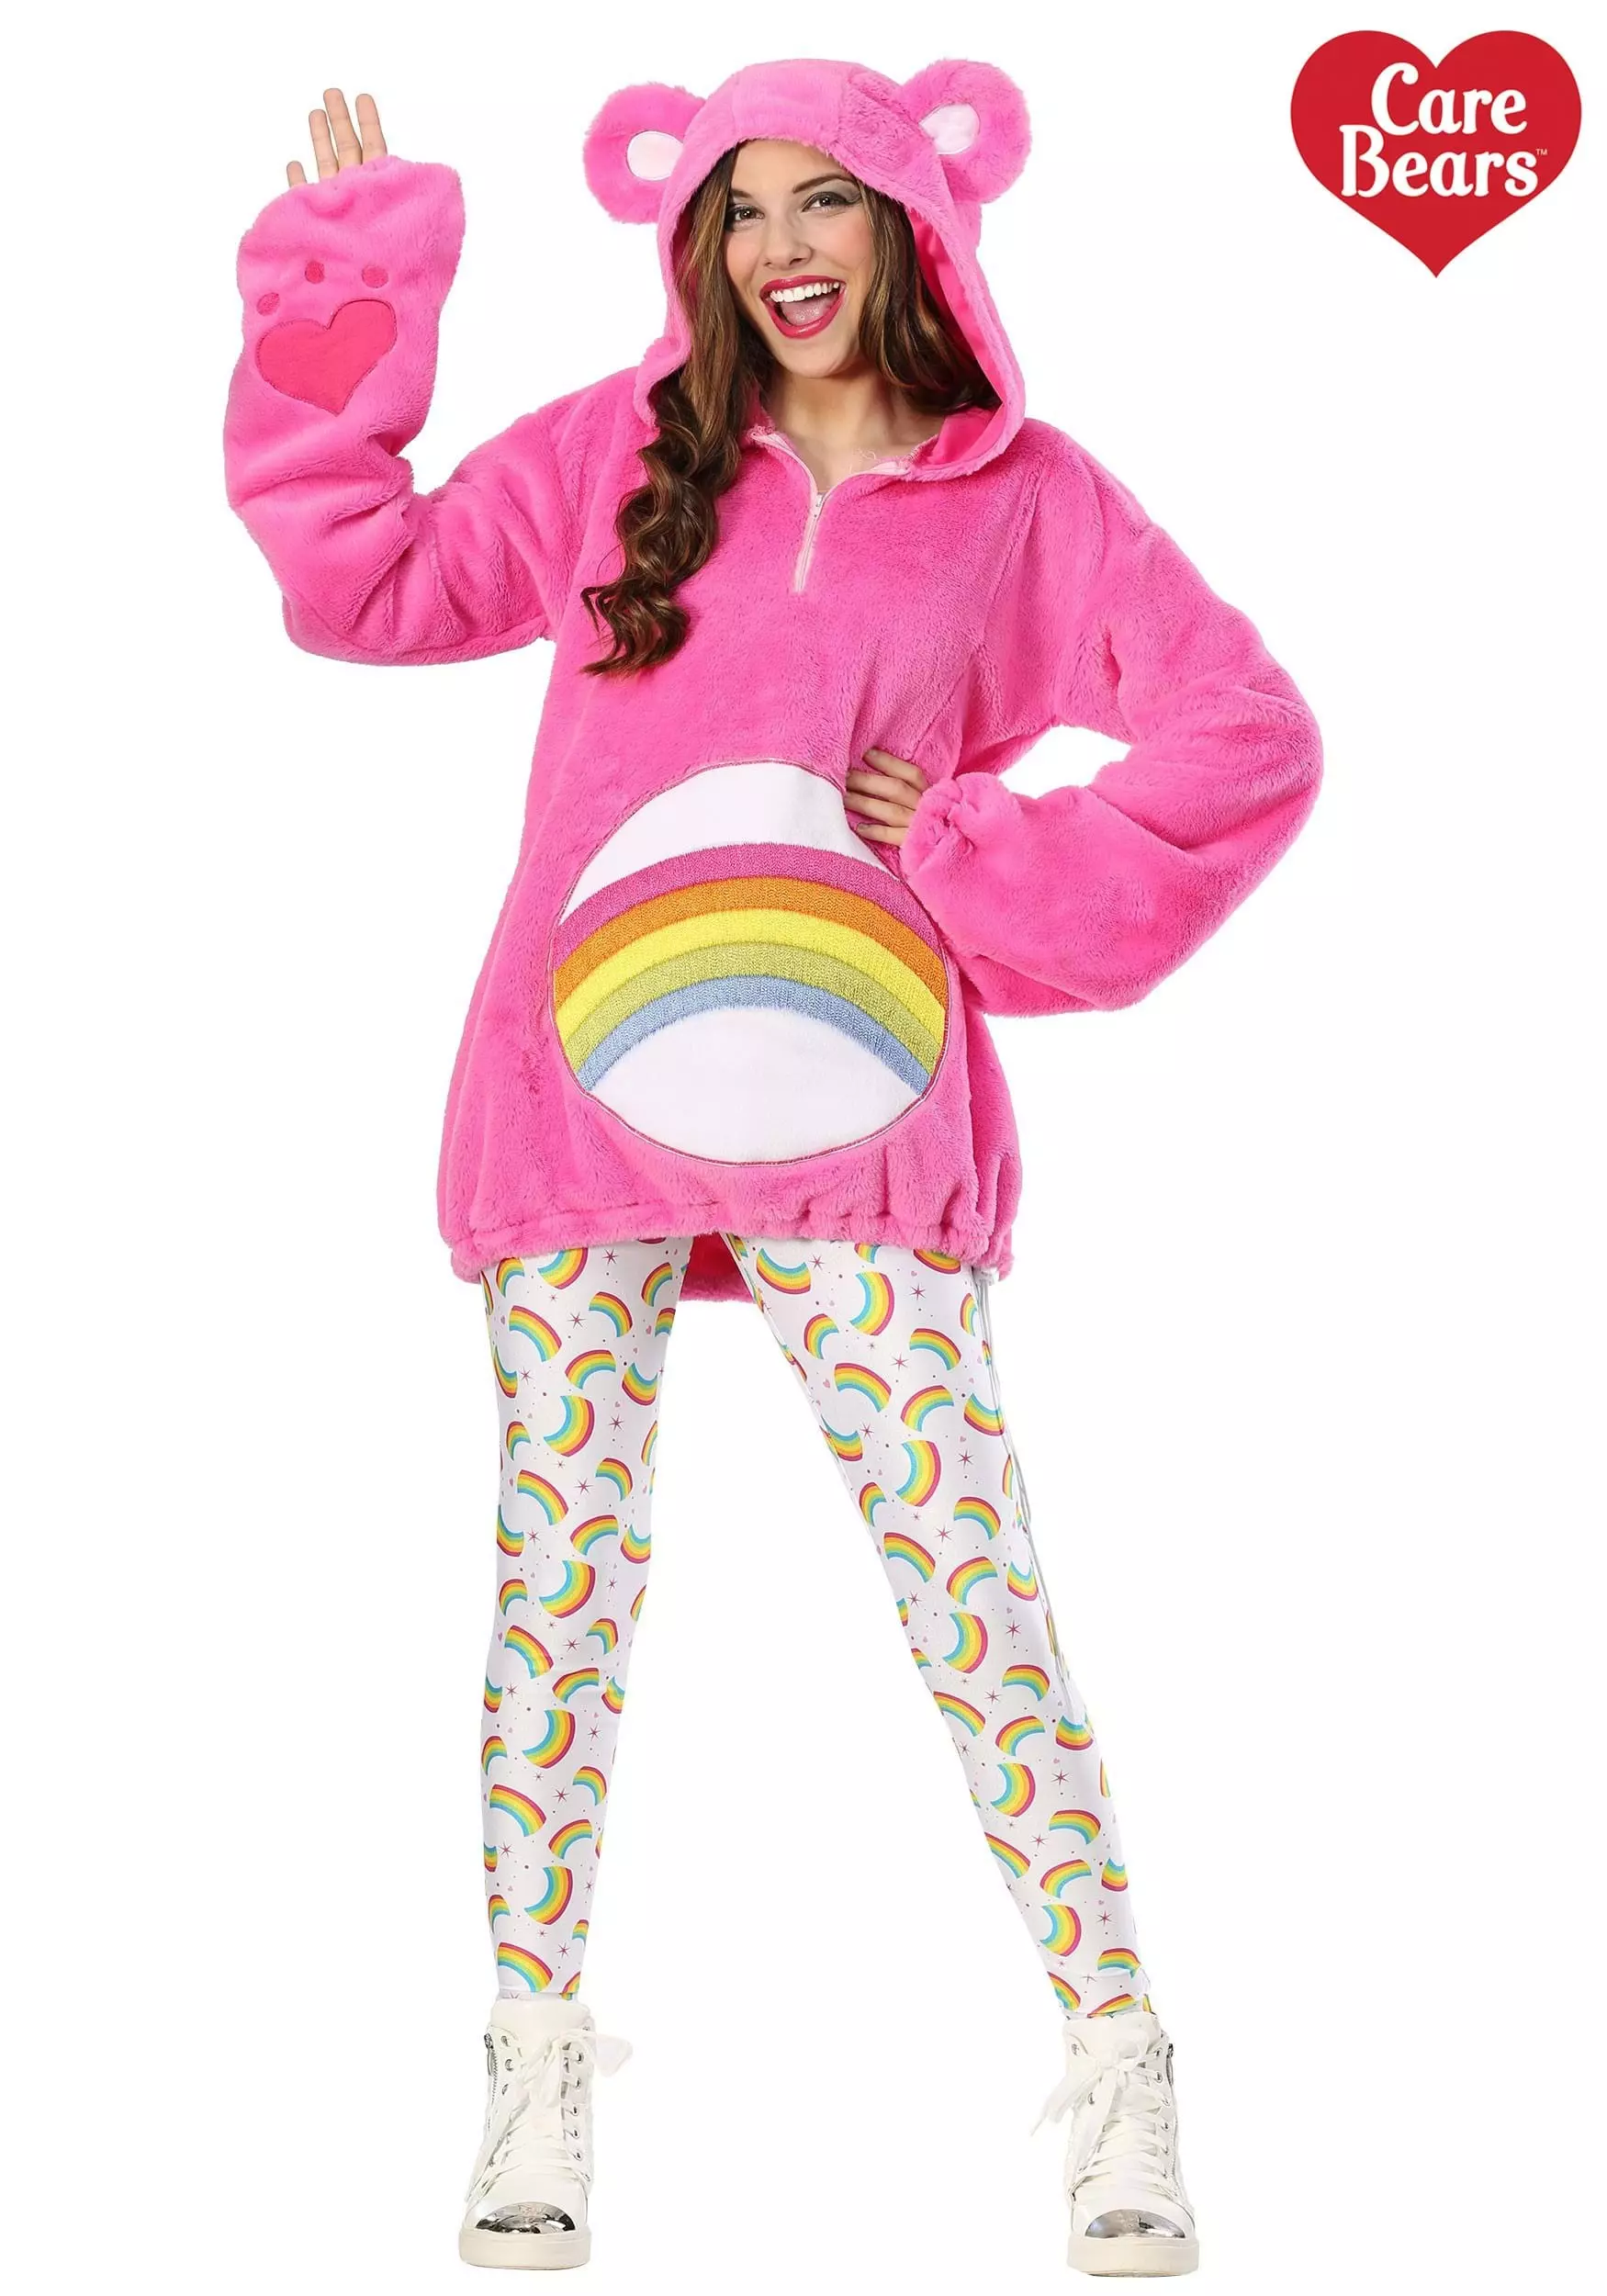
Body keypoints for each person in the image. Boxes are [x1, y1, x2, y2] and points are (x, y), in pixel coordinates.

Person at [224, 58, 1320, 2279]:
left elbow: (1245, 736)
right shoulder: (616, 452)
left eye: (827, 199)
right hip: (579, 1087)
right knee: (561, 1578)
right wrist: (354, 280)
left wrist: (985, 849)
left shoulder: (1026, 504)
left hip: (860, 1103)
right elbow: (366, 586)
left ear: (918, 215)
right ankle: (532, 2050)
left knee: (965, 1574)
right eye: (739, 211)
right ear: (689, 238)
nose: (780, 247)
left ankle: (1117, 2047)